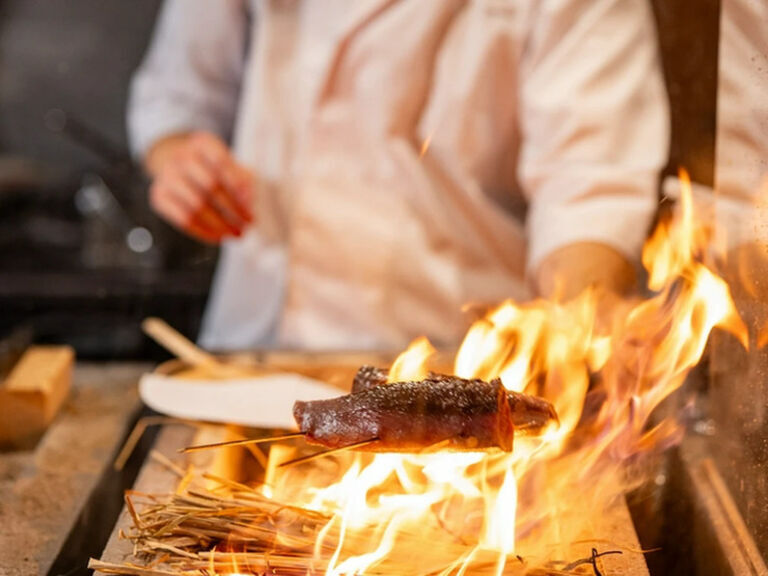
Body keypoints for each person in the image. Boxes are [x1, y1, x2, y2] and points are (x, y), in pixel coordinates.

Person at [129, 0, 669, 351]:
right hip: (255, 344)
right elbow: (175, 97)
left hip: (454, 354)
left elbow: (590, 181)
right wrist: (180, 160)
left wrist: (567, 338)